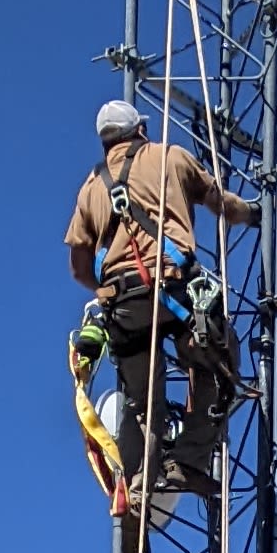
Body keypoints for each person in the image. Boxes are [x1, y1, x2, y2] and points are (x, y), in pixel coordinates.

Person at [66, 95, 256, 514]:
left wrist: (104, 291)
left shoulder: (90, 187)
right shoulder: (170, 157)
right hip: (173, 293)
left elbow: (79, 266)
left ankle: (137, 490)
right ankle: (187, 462)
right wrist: (254, 213)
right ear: (140, 130)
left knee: (142, 406)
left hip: (123, 307)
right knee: (215, 365)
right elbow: (221, 204)